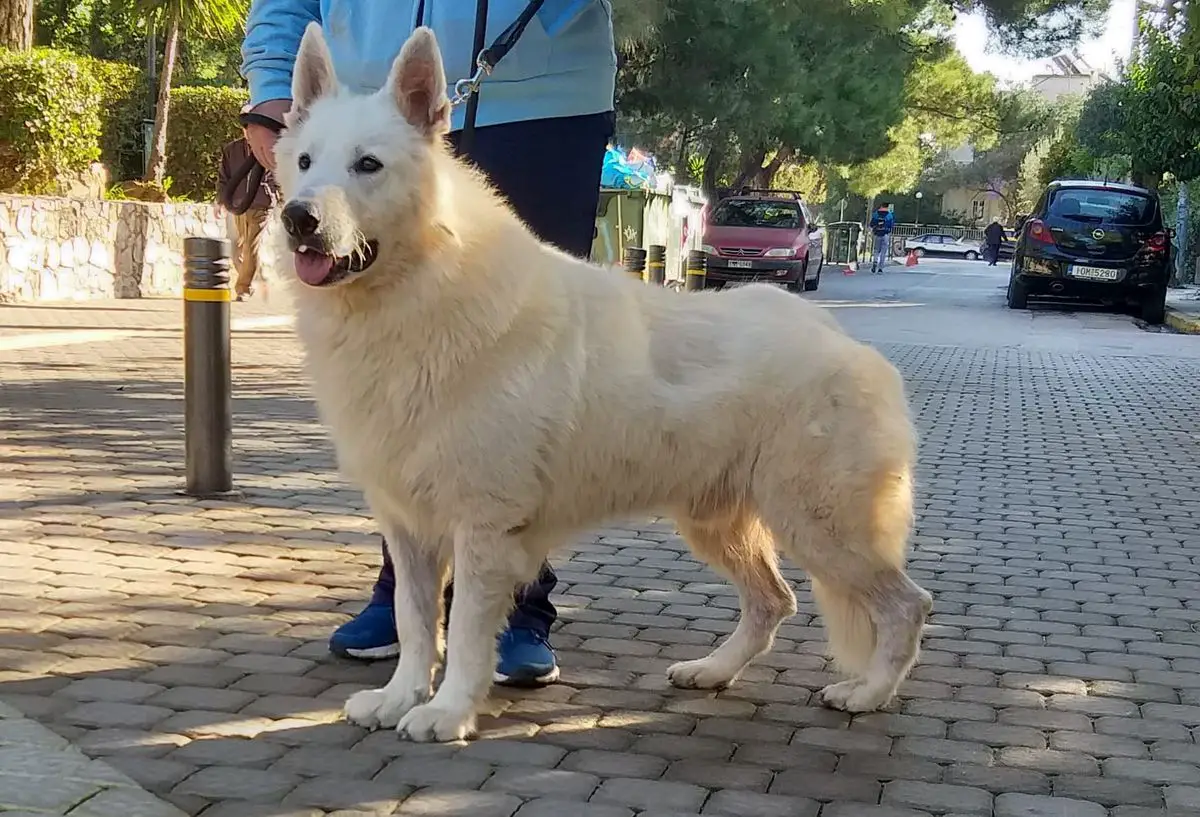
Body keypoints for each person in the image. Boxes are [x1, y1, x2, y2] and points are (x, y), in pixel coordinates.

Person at [240, 0, 616, 686]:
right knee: (391, 409)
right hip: (362, 99)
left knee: (526, 384)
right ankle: (405, 601)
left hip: (544, 97)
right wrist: (270, 83)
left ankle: (519, 606)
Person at [216, 115, 273, 301]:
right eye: (248, 129)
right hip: (238, 205)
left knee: (251, 246)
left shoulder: (268, 148)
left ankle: (244, 288)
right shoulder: (231, 150)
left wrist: (272, 193)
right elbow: (223, 178)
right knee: (235, 249)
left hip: (261, 205)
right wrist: (220, 201)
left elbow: (278, 174)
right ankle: (251, 276)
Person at [868, 204, 894, 274]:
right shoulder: (889, 215)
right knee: (883, 252)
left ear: (881, 206)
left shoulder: (876, 214)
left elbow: (871, 224)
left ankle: (875, 261)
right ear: (887, 207)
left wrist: (872, 230)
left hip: (877, 234)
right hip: (885, 234)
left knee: (876, 250)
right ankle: (880, 268)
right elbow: (891, 225)